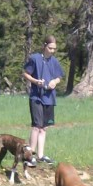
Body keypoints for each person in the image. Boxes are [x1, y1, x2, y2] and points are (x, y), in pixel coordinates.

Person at [23, 35, 64, 165]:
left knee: (44, 128)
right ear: (44, 46)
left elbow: (59, 76)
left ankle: (41, 155)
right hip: (36, 97)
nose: (52, 51)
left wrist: (54, 82)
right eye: (50, 48)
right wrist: (35, 81)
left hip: (49, 98)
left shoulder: (54, 61)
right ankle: (30, 155)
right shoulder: (35, 59)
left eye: (54, 49)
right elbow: (25, 73)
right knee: (36, 126)